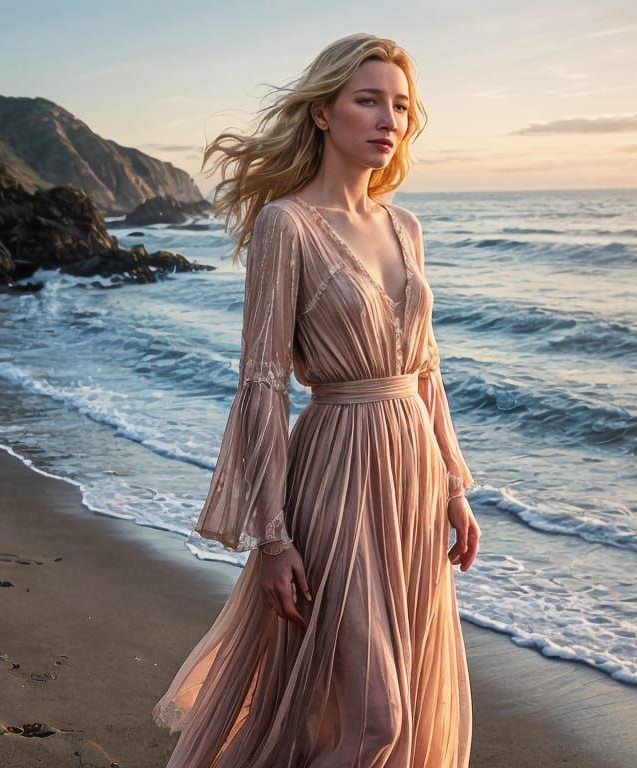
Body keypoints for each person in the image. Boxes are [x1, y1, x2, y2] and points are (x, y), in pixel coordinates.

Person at [152, 32, 480, 767]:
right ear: (324, 113)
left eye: (399, 105)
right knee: (377, 718)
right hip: (335, 475)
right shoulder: (286, 225)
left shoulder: (406, 227)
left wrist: (455, 485)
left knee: (390, 704)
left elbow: (424, 370)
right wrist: (272, 535)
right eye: (367, 100)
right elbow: (263, 387)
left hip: (413, 482)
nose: (387, 118)